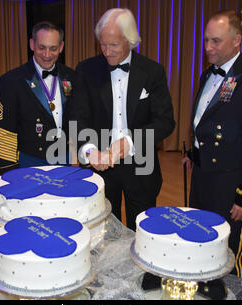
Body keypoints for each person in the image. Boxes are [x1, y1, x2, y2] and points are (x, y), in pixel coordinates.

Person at [183, 10, 242, 279]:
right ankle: (205, 286)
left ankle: (234, 294)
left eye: (216, 41)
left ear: (237, 40)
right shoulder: (208, 75)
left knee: (230, 248)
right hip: (203, 177)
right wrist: (194, 153)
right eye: (205, 41)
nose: (208, 48)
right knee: (203, 238)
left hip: (231, 182)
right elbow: (211, 123)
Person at [68, 8, 175, 231]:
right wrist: (89, 150)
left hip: (141, 164)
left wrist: (130, 142)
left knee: (143, 235)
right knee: (105, 234)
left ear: (131, 40)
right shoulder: (86, 70)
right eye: (103, 44)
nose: (107, 51)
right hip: (101, 166)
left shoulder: (152, 71)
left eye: (114, 45)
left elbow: (165, 121)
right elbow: (77, 116)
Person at [0, 22, 76, 174]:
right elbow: (3, 132)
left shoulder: (71, 76)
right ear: (32, 44)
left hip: (63, 159)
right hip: (29, 161)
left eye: (53, 48)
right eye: (41, 47)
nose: (47, 54)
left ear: (61, 47)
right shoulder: (11, 81)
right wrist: (9, 172)